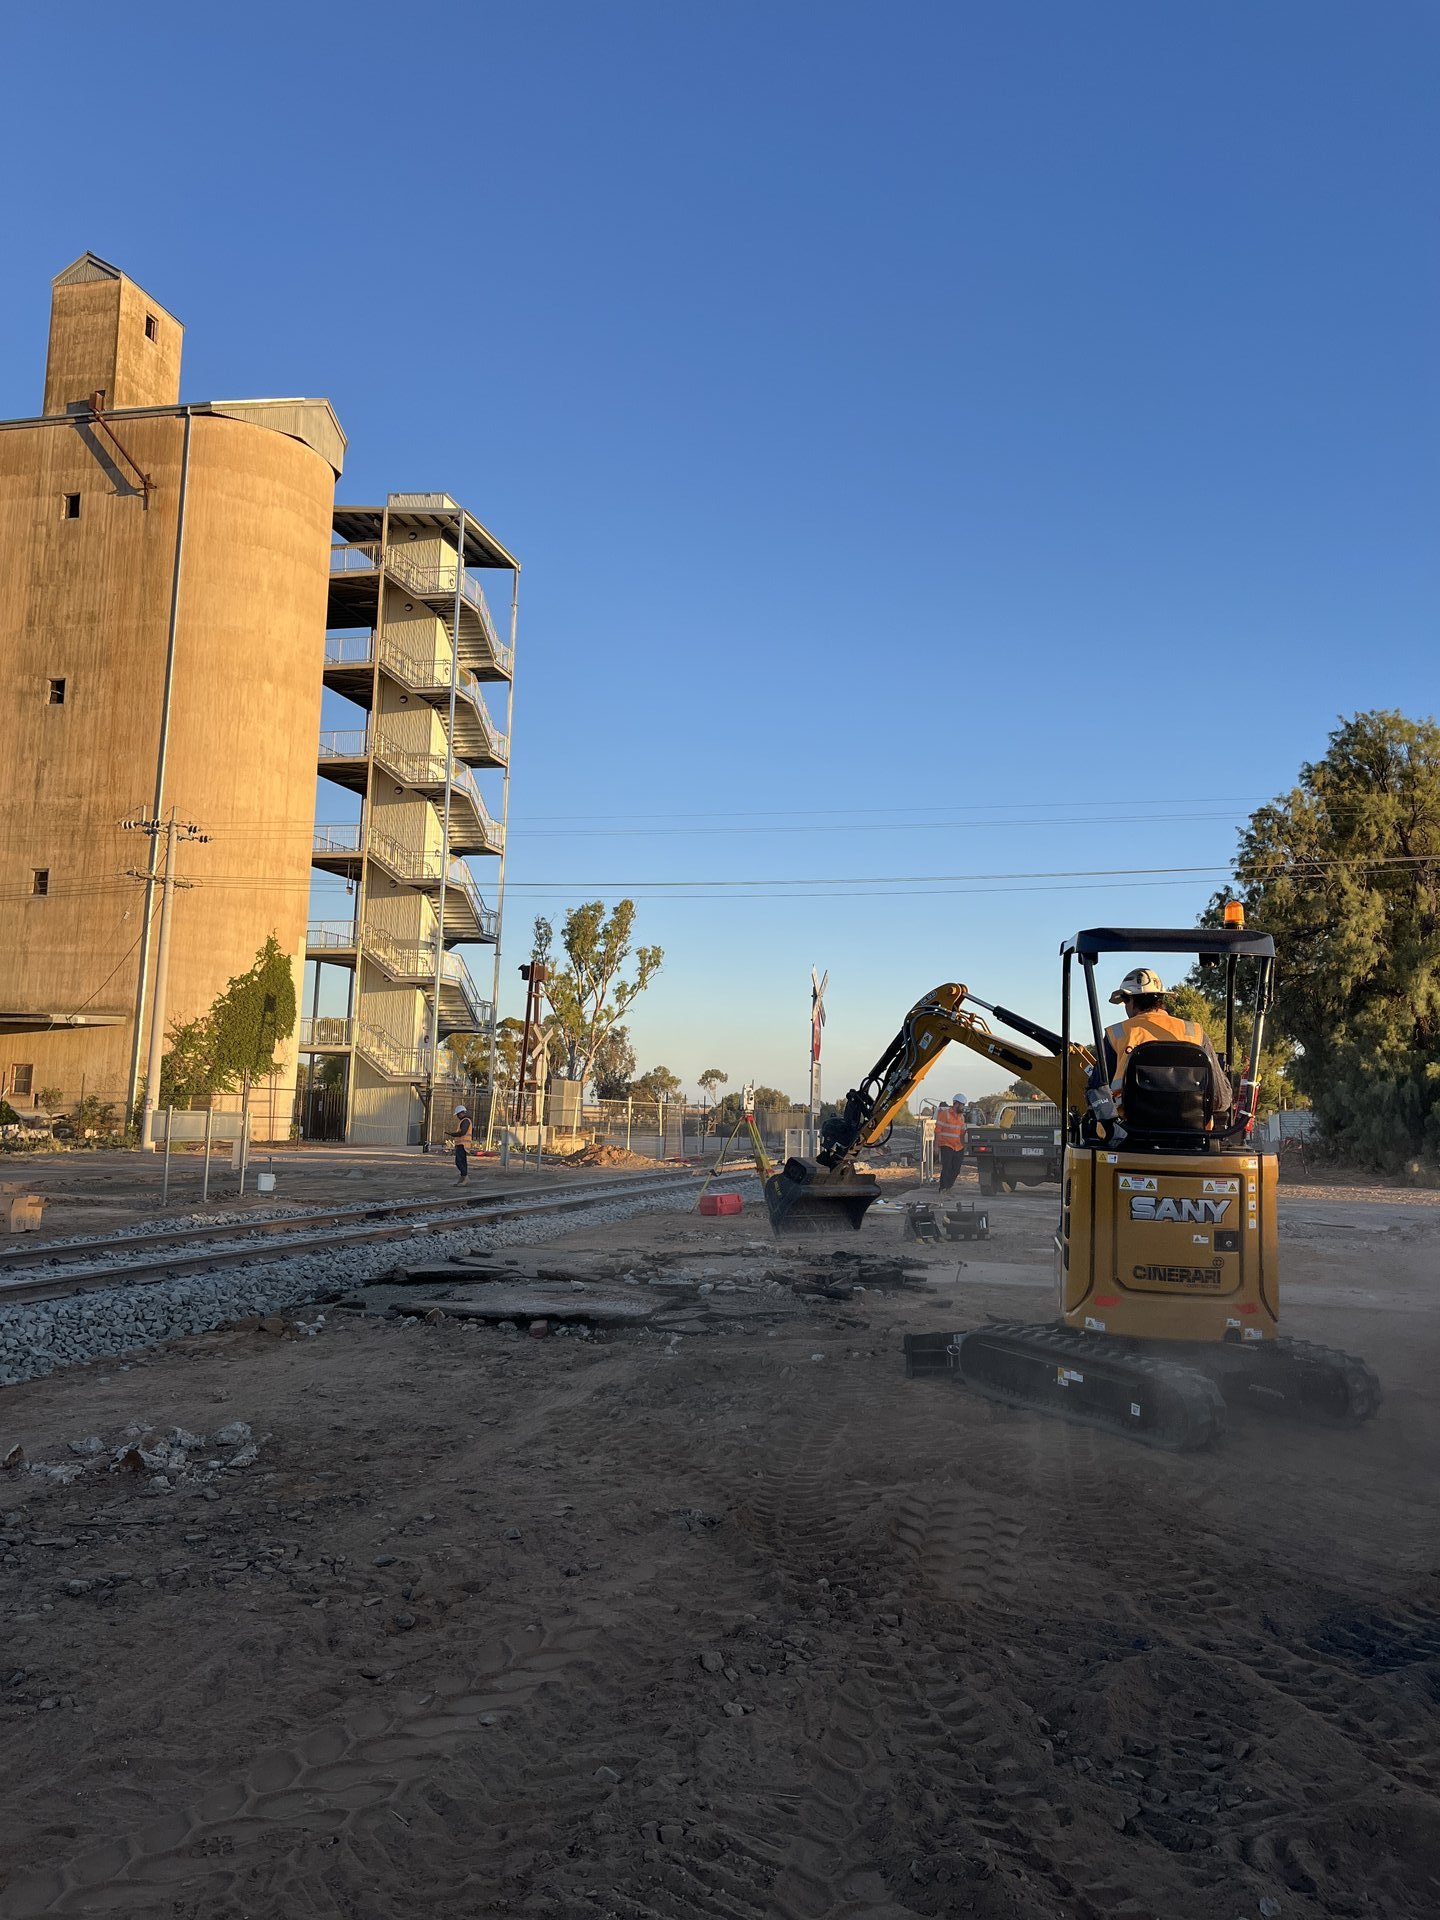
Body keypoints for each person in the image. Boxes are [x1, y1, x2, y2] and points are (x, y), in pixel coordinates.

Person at [1100, 969, 1232, 1119]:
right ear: (1161, 999)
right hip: (1191, 1136)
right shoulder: (1194, 1033)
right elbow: (1221, 1099)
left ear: (1129, 1000)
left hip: (1129, 1133)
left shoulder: (1117, 1034)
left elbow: (1097, 1091)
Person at [934, 1097, 967, 1191]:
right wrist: (936, 1146)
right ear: (956, 1103)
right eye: (962, 1105)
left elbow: (962, 1132)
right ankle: (943, 1187)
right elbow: (937, 1130)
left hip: (958, 1146)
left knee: (956, 1169)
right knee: (947, 1167)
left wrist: (964, 1145)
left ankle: (948, 1186)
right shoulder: (945, 1114)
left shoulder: (961, 1117)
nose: (963, 1107)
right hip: (946, 1144)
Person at [446, 1105, 472, 1184]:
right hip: (461, 1144)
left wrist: (453, 1134)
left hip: (463, 1144)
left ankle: (465, 1177)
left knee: (459, 1162)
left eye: (458, 1114)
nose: (457, 1116)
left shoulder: (465, 1121)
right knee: (462, 1162)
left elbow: (463, 1132)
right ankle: (463, 1177)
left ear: (461, 1113)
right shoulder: (464, 1121)